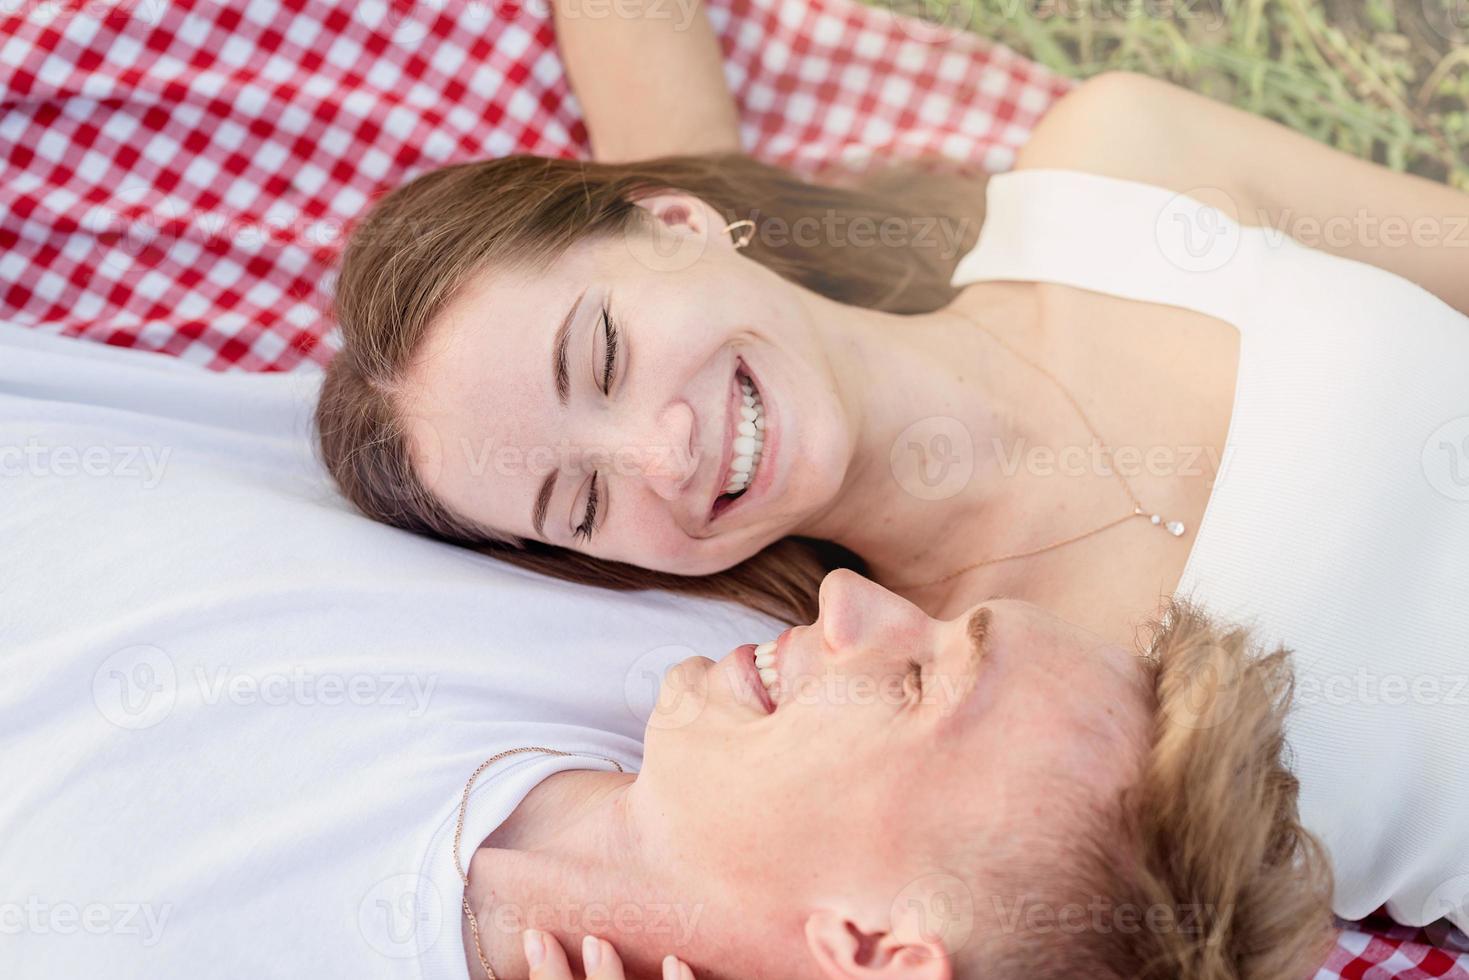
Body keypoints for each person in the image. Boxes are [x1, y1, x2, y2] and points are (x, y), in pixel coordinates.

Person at [314, 1, 1469, 696]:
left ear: (677, 223)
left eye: (604, 356)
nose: (660, 457)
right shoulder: (961, 696)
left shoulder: (1120, 170)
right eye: (579, 499)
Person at [449, 568, 1347, 980]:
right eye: (935, 621)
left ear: (880, 950)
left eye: (914, 682)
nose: (843, 594)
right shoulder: (620, 561)